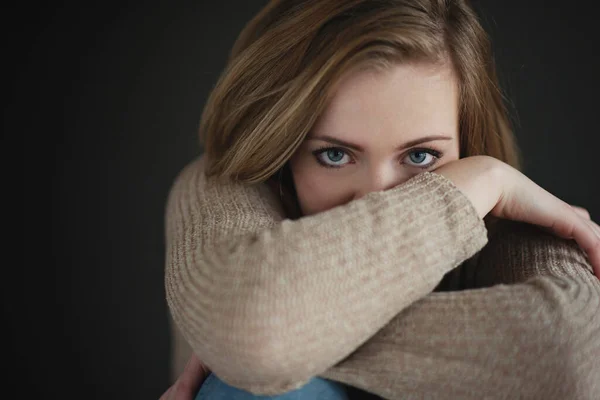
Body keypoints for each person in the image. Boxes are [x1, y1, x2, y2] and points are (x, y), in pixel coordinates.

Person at [160, 0, 600, 399]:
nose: (376, 199)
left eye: (421, 156)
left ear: (469, 143)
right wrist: (481, 180)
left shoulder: (514, 224)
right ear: (283, 148)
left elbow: (574, 359)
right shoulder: (225, 188)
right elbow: (254, 333)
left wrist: (276, 341)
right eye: (334, 155)